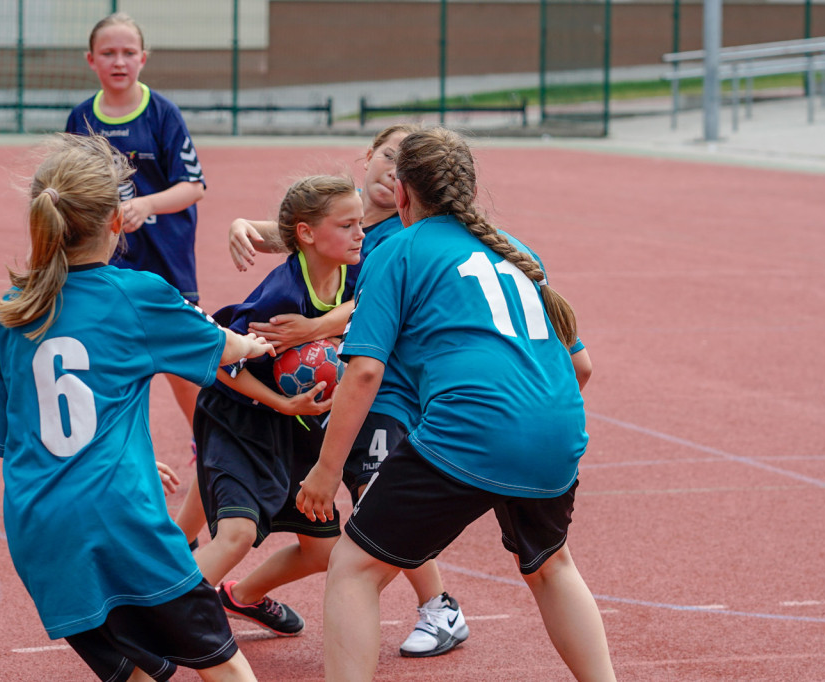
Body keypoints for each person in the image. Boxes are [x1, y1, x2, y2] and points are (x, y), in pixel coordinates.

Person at [296, 127, 616, 681]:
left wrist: (325, 471)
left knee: (353, 567)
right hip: (559, 426)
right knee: (551, 566)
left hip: (472, 427)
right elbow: (581, 367)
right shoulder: (516, 252)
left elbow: (365, 370)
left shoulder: (397, 250)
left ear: (401, 192)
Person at [0, 133, 270, 682]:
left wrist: (130, 456)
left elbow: (29, 435)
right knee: (225, 666)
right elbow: (225, 348)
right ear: (119, 221)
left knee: (138, 674)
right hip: (117, 519)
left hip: (38, 528)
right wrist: (256, 344)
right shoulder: (137, 294)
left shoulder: (16, 311)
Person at [227, 124, 473, 658]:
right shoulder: (350, 211)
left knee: (376, 498)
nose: (392, 169)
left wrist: (313, 329)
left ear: (412, 184)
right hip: (330, 391)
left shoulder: (401, 233)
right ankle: (236, 591)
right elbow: (299, 228)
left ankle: (440, 607)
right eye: (387, 154)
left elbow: (371, 300)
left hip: (381, 385)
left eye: (403, 164)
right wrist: (243, 225)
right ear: (368, 156)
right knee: (323, 525)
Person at [191, 175, 364, 637]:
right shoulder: (281, 296)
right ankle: (151, 625)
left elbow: (367, 302)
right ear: (306, 234)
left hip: (298, 424)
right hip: (241, 418)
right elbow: (221, 361)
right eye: (347, 225)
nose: (360, 234)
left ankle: (240, 597)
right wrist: (281, 403)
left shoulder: (356, 270)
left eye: (361, 223)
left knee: (323, 551)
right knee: (237, 535)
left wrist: (317, 331)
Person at [66, 12, 207, 538]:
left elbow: (193, 186)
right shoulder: (82, 118)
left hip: (166, 260)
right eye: (109, 53)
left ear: (143, 59)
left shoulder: (163, 114)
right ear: (91, 61)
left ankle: (209, 442)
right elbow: (68, 190)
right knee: (109, 360)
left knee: (182, 365)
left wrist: (146, 204)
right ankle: (111, 456)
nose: (119, 61)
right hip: (104, 262)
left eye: (128, 52)